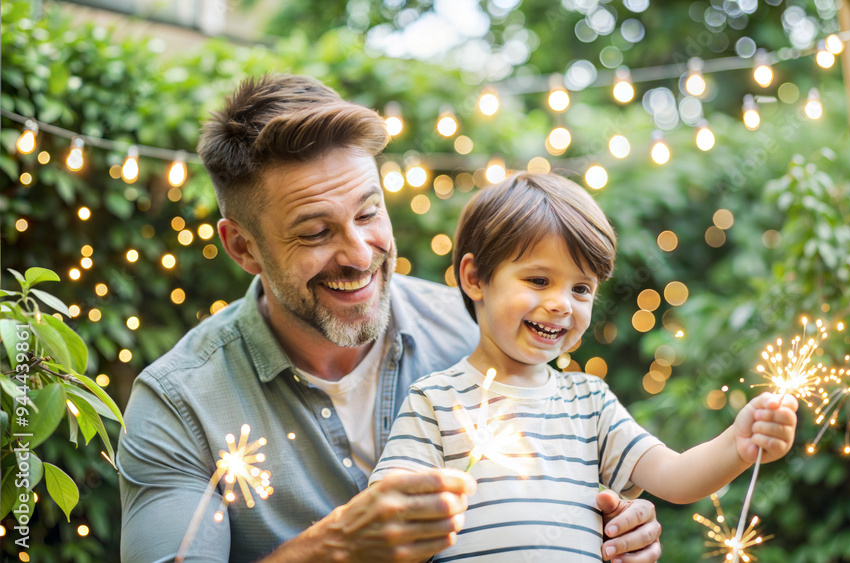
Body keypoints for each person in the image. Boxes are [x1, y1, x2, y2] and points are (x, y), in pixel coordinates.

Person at [117, 74, 663, 563]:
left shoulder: (481, 329)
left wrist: (613, 529)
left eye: (368, 212)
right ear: (243, 248)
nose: (359, 254)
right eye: (314, 232)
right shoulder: (180, 404)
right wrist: (334, 549)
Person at [369, 172, 799, 562]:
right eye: (539, 280)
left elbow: (675, 477)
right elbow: (383, 517)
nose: (561, 304)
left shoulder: (589, 403)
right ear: (475, 278)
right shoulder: (435, 402)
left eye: (581, 288)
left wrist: (738, 444)